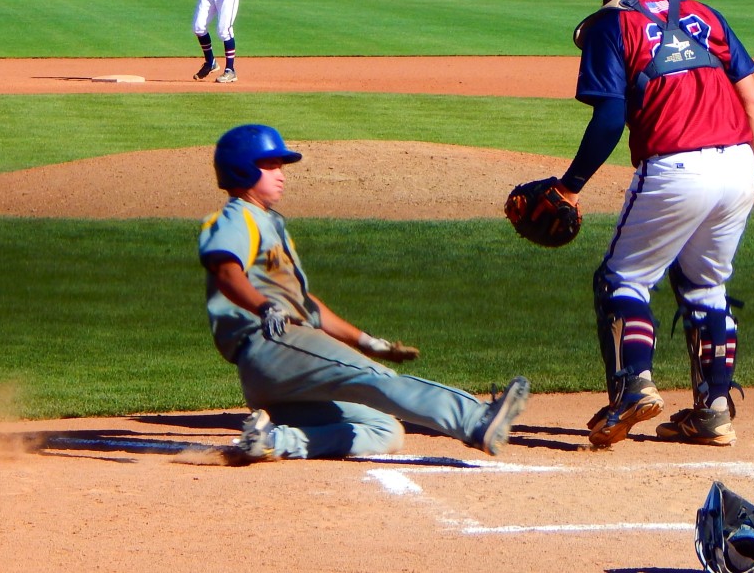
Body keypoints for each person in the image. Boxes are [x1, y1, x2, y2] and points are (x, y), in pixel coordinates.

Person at [199, 124, 530, 460]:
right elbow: (226, 271)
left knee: (384, 430)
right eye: (270, 165)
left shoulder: (267, 223)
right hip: (272, 344)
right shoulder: (236, 217)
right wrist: (265, 307)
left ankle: (273, 441)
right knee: (375, 378)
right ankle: (475, 420)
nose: (281, 174)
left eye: (281, 166)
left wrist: (367, 342)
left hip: (273, 376)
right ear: (241, 167)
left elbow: (307, 305)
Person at [556, 0, 754, 447]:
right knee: (704, 287)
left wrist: (570, 186)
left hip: (675, 167)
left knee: (620, 281)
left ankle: (633, 388)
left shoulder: (612, 22)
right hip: (740, 163)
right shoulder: (704, 13)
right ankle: (713, 412)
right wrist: (749, 182)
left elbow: (610, 117)